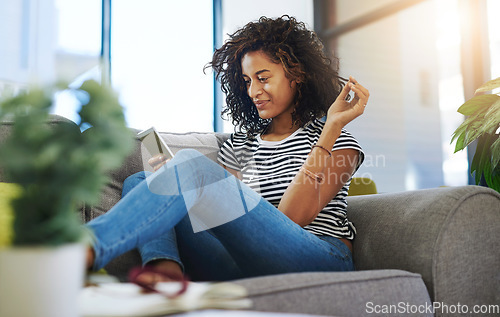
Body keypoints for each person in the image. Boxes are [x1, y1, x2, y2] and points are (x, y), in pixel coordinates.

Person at [85, 15, 369, 284]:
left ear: (296, 75)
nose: (253, 91)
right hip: (245, 262)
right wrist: (177, 183)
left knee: (192, 166)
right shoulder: (241, 144)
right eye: (247, 81)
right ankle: (165, 271)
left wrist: (331, 126)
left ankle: (86, 247)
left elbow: (292, 219)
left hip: (318, 257)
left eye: (263, 77)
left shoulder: (339, 142)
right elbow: (222, 219)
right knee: (140, 179)